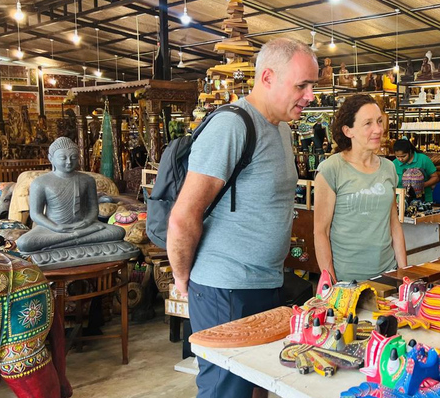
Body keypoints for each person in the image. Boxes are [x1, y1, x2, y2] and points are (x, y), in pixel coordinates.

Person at [167, 38, 319, 398]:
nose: (311, 96)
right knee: (226, 389)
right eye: (302, 85)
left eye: (312, 85)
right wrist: (183, 279)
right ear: (267, 77)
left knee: (259, 382)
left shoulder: (281, 128)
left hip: (264, 282)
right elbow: (184, 213)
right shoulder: (232, 126)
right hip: (225, 287)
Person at [313, 94, 407, 282]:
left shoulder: (389, 168)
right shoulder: (331, 169)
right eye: (368, 123)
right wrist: (330, 283)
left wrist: (404, 272)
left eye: (379, 121)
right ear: (348, 131)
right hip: (347, 280)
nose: (378, 129)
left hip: (387, 274)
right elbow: (321, 232)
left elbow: (394, 224)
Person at [17, 137, 126, 253]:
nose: (69, 162)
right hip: (52, 229)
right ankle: (75, 239)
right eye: (63, 158)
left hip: (85, 226)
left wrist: (86, 222)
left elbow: (93, 209)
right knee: (24, 243)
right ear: (51, 159)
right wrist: (57, 227)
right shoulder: (40, 183)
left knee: (118, 232)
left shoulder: (87, 180)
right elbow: (36, 214)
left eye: (73, 157)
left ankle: (64, 243)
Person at [392, 139, 440, 203]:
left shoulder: (423, 159)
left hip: (424, 200)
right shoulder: (394, 163)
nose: (400, 159)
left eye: (403, 156)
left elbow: (435, 177)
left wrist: (422, 185)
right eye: (397, 156)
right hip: (402, 201)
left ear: (410, 151)